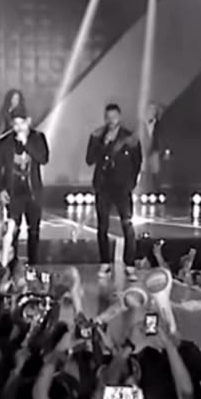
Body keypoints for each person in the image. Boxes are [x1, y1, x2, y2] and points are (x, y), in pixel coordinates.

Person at [86, 103, 142, 279]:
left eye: (114, 117)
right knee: (102, 226)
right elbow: (89, 159)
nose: (111, 121)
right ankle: (105, 263)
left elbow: (137, 161)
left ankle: (130, 264)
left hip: (122, 187)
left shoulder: (129, 138)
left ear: (120, 117)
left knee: (128, 225)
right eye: (108, 118)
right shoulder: (97, 136)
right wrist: (103, 144)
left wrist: (131, 182)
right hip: (103, 186)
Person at [0, 111, 49, 265]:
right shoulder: (5, 142)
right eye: (15, 124)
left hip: (33, 192)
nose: (18, 127)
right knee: (13, 231)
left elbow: (43, 158)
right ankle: (12, 266)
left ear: (28, 121)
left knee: (34, 230)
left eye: (21, 123)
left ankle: (33, 265)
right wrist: (0, 189)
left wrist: (26, 143)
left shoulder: (38, 138)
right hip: (13, 192)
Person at [139, 102, 164, 192]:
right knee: (143, 171)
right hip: (143, 151)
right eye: (149, 110)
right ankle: (143, 189)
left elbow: (161, 139)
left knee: (155, 172)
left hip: (154, 151)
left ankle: (156, 191)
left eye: (152, 110)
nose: (150, 112)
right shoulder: (141, 125)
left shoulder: (160, 125)